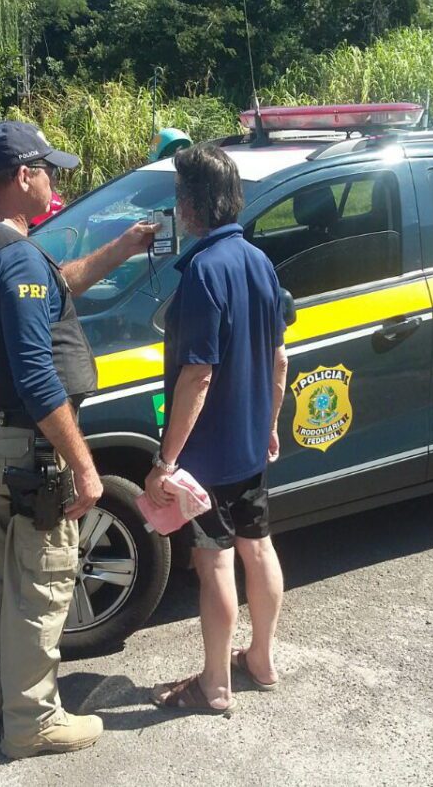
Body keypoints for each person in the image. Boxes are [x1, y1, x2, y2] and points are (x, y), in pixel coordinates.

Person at [0, 121, 155, 758]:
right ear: (22, 176)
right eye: (48, 171)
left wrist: (123, 247)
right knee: (42, 581)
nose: (54, 182)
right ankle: (32, 720)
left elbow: (52, 287)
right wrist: (83, 465)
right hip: (30, 452)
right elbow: (37, 377)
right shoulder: (16, 260)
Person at [148, 144, 289, 715]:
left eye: (179, 195)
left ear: (192, 204)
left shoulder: (204, 271)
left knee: (216, 563)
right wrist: (269, 424)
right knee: (259, 547)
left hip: (207, 456)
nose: (176, 206)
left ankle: (215, 684)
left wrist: (166, 462)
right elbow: (279, 360)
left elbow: (198, 375)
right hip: (250, 445)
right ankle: (262, 660)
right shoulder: (259, 261)